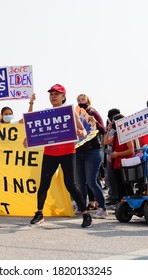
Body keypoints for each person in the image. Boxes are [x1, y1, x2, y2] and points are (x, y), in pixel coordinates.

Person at [27, 84, 93, 228]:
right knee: (44, 184)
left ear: (63, 97)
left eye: (57, 94)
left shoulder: (70, 111)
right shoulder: (46, 113)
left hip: (68, 152)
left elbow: (82, 130)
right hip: (50, 153)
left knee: (70, 184)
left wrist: (81, 133)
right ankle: (39, 213)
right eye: (51, 94)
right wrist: (29, 139)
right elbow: (33, 129)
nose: (53, 96)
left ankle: (86, 214)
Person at [75, 93, 107, 219]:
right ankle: (82, 207)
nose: (80, 101)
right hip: (78, 150)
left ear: (88, 101)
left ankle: (103, 207)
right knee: (80, 182)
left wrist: (96, 123)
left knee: (91, 181)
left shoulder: (93, 112)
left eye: (83, 99)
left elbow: (103, 130)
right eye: (78, 100)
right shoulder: (76, 113)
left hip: (92, 151)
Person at [103, 113, 134, 201]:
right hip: (116, 165)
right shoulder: (117, 134)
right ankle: (121, 203)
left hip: (125, 165)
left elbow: (131, 150)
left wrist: (118, 154)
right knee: (119, 186)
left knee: (126, 186)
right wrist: (108, 130)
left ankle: (129, 202)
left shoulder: (126, 133)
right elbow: (106, 142)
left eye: (114, 122)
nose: (112, 124)